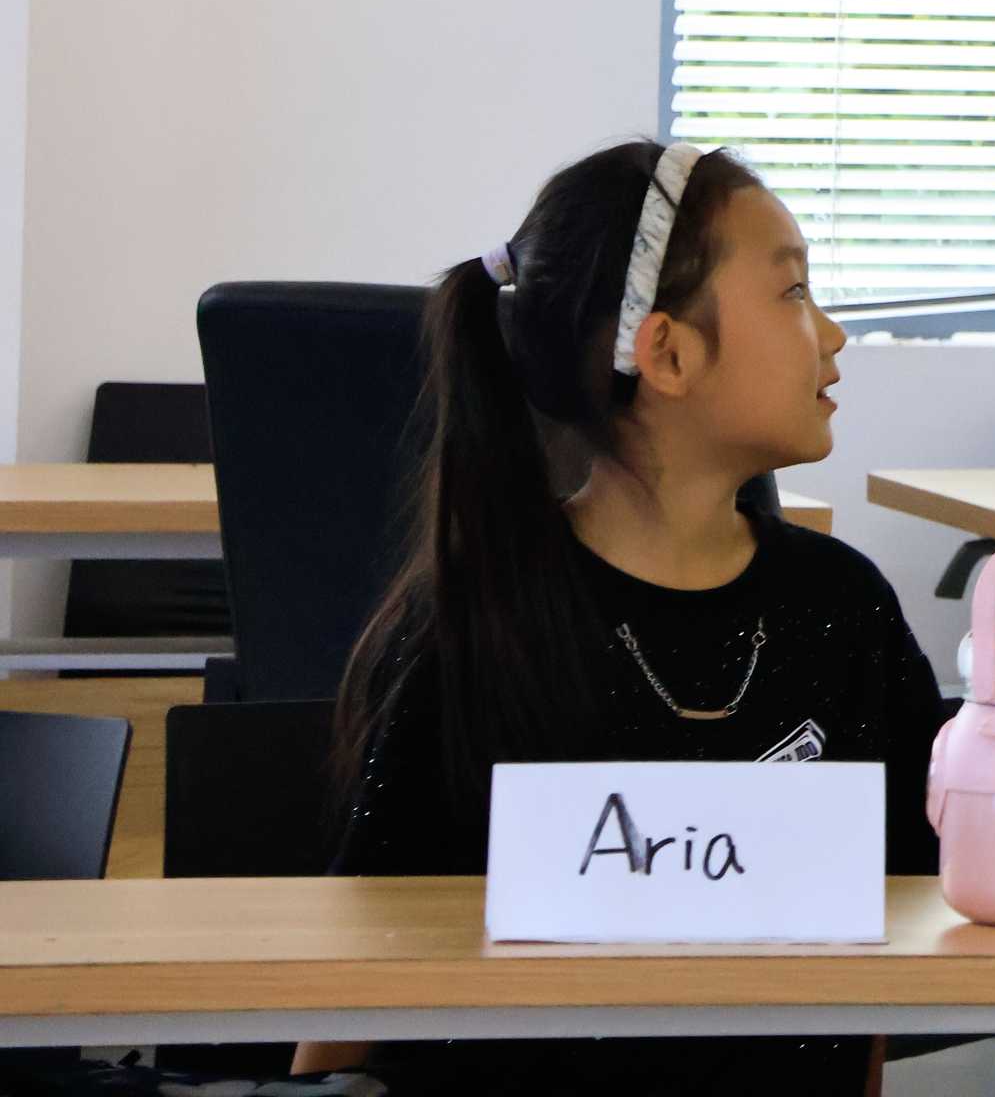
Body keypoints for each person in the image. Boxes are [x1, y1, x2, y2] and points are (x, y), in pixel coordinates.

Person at [298, 139, 953, 1095]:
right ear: (668, 352)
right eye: (792, 291)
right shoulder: (476, 625)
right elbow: (358, 978)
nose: (833, 334)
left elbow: (882, 944)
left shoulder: (845, 606)